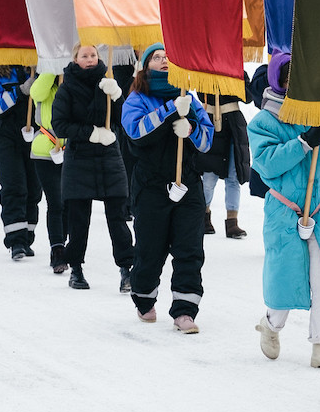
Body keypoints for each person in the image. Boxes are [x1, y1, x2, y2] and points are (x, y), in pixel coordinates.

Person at [249, 52, 320, 372]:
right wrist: (303, 142)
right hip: (285, 209)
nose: (298, 83)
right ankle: (271, 324)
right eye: (292, 77)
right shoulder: (265, 120)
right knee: (286, 277)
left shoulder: (317, 109)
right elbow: (267, 164)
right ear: (280, 79)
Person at [122, 44, 215, 333]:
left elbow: (207, 140)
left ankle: (185, 310)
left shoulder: (190, 98)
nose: (164, 61)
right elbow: (135, 132)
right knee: (151, 249)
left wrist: (191, 130)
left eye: (167, 57)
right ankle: (144, 297)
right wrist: (168, 112)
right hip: (151, 185)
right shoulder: (137, 98)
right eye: (157, 57)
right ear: (146, 65)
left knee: (189, 248)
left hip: (187, 184)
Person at [52, 44, 135, 292]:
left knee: (118, 217)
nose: (90, 59)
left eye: (93, 55)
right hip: (80, 158)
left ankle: (126, 269)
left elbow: (124, 118)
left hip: (109, 155)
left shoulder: (107, 83)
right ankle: (75, 268)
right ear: (76, 59)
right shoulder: (67, 88)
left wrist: (118, 96)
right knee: (78, 220)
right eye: (85, 56)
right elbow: (60, 125)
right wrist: (91, 133)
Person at [0, 65, 43, 261]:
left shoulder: (37, 72)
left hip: (33, 137)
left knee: (34, 189)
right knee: (13, 186)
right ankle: (16, 240)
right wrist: (19, 91)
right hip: (6, 139)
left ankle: (28, 235)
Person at [196, 74, 255, 240]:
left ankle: (232, 221)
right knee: (208, 178)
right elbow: (201, 95)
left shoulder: (237, 70)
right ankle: (204, 215)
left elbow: (248, 96)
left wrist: (234, 79)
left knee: (234, 177)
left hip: (233, 126)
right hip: (210, 123)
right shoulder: (205, 69)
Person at [27, 69, 69, 272]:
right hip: (45, 150)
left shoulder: (72, 84)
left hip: (72, 150)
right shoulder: (44, 82)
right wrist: (53, 68)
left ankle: (65, 240)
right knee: (56, 201)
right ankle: (57, 248)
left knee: (69, 202)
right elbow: (36, 93)